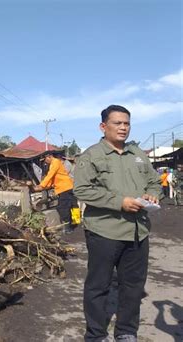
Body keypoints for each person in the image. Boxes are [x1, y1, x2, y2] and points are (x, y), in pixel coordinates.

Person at [74, 105, 161, 342]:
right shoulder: (92, 155)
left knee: (133, 286)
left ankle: (125, 331)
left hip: (138, 231)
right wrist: (119, 202)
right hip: (105, 230)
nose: (123, 128)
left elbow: (155, 182)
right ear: (103, 126)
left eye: (127, 123)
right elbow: (81, 190)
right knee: (98, 286)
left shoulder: (138, 154)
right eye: (118, 123)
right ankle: (95, 334)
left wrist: (154, 194)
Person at [26, 152, 76, 234]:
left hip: (65, 188)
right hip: (63, 188)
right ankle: (68, 226)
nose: (45, 162)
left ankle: (68, 227)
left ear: (49, 157)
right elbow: (51, 179)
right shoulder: (53, 164)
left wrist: (41, 185)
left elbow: (50, 175)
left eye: (45, 160)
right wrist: (42, 186)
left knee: (63, 208)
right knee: (65, 207)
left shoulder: (55, 162)